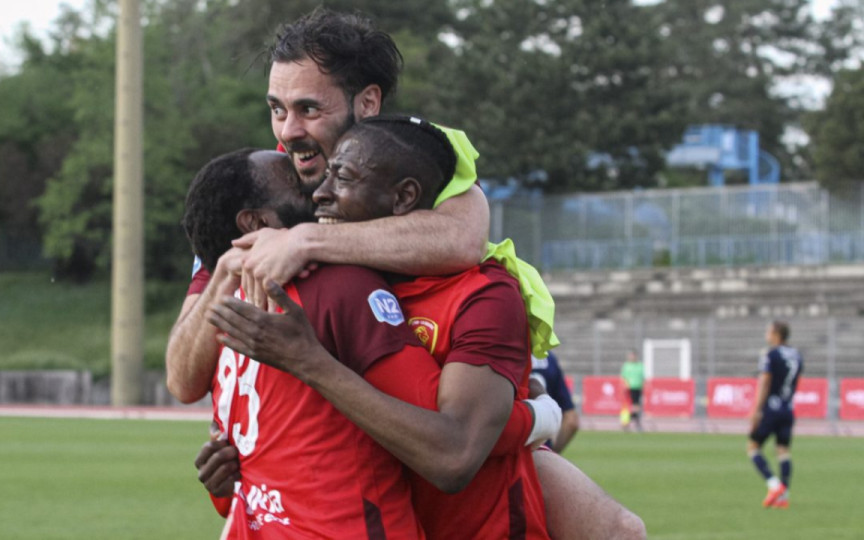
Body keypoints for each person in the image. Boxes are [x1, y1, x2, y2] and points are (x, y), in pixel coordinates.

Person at [207, 115, 644, 539]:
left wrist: (311, 363)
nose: (319, 195)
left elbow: (453, 456)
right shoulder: (334, 284)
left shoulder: (483, 295)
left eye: (342, 178)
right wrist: (234, 474)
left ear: (403, 198)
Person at [164, 8, 491, 405]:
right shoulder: (264, 184)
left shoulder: (419, 154)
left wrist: (305, 240)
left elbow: (461, 241)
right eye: (277, 109)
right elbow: (182, 382)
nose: (288, 131)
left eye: (309, 109)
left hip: (442, 406)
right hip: (347, 444)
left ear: (368, 102)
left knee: (527, 461)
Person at [748, 320, 803, 509]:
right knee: (783, 451)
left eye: (768, 330)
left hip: (771, 408)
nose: (767, 334)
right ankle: (784, 496)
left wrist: (756, 410)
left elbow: (765, 381)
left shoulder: (770, 354)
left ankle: (774, 485)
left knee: (753, 448)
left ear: (777, 334)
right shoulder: (797, 355)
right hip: (788, 408)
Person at [530, 351, 580, 453]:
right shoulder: (548, 359)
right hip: (541, 455)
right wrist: (552, 453)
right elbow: (571, 421)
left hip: (505, 455)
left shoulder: (504, 354)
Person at [621, 349, 644, 431]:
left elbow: (643, 377)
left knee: (637, 406)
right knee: (629, 406)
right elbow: (624, 377)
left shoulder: (640, 365)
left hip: (638, 387)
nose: (632, 357)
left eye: (633, 356)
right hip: (629, 388)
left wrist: (644, 385)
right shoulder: (627, 365)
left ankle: (632, 419)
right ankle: (628, 421)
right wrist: (625, 386)